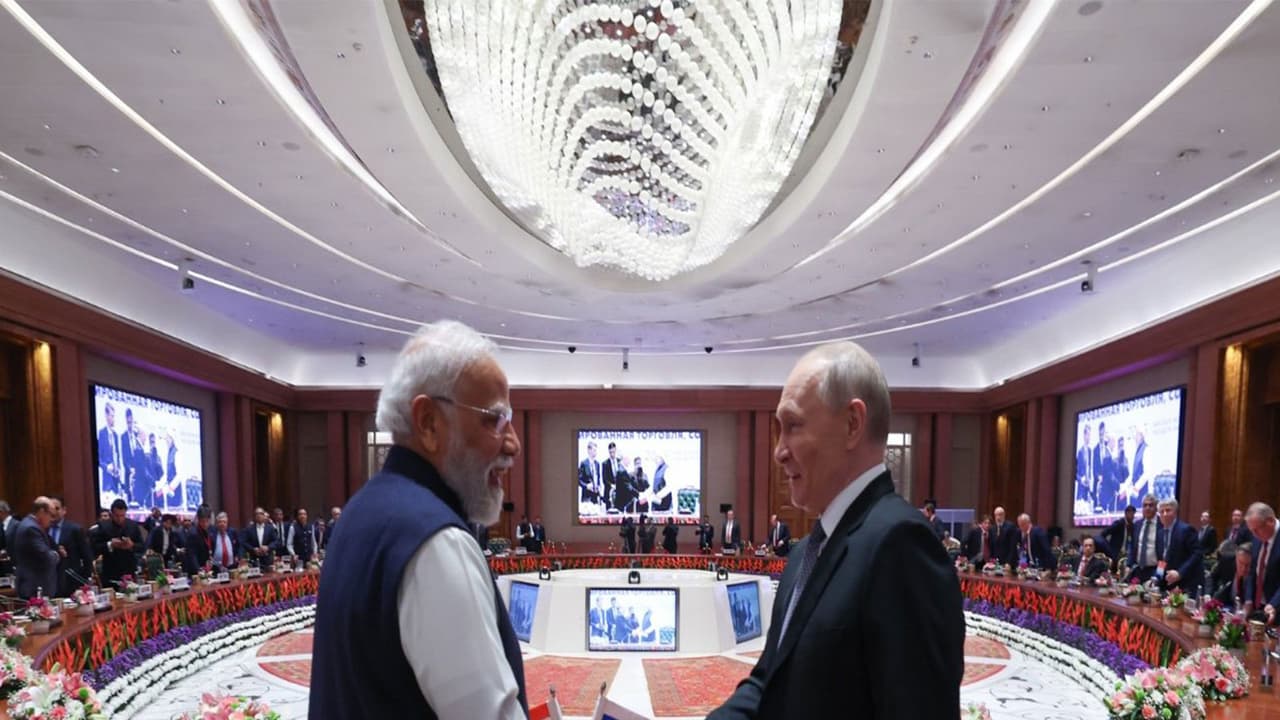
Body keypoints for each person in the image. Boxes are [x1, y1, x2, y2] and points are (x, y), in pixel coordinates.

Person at [708, 342, 962, 720]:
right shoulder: (803, 554)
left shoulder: (900, 545)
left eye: (793, 426)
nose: (779, 451)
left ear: (852, 424)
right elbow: (768, 683)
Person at [310, 320, 527, 718]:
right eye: (494, 420)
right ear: (428, 422)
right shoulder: (437, 542)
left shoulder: (360, 511)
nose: (512, 443)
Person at [1151, 498, 1202, 592]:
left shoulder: (1186, 530)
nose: (1164, 514)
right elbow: (1162, 560)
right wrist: (1156, 578)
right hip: (1168, 584)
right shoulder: (1160, 533)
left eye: (1168, 510)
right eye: (1161, 512)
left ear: (1175, 512)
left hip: (1186, 583)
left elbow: (1197, 554)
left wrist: (1180, 573)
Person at [12, 497, 59, 599]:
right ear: (42, 511)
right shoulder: (31, 528)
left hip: (34, 585)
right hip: (34, 587)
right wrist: (55, 555)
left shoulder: (29, 524)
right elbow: (46, 556)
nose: (52, 519)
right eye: (51, 515)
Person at [95, 499, 145, 589]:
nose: (119, 519)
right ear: (111, 514)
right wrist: (110, 544)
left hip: (129, 570)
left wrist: (132, 545)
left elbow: (142, 547)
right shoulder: (103, 526)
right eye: (117, 516)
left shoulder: (133, 525)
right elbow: (95, 547)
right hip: (110, 571)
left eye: (122, 515)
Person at [50, 496, 93, 597]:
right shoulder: (44, 529)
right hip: (50, 582)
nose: (53, 512)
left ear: (64, 510)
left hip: (71, 581)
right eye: (51, 509)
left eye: (57, 508)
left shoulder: (75, 529)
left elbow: (87, 557)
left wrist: (83, 581)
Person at [1245, 502, 1280, 624]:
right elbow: (1252, 572)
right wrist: (1249, 599)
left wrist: (1274, 605)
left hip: (1276, 608)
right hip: (1259, 607)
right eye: (1251, 531)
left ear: (1270, 521)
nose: (1254, 535)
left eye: (1257, 530)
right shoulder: (1258, 537)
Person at [1127, 495, 1161, 583]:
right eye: (1145, 505)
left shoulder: (1162, 525)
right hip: (1138, 570)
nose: (1147, 508)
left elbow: (1165, 554)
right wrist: (1128, 565)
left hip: (1154, 570)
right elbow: (1132, 546)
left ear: (1156, 508)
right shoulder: (1137, 525)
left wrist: (1159, 575)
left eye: (1151, 505)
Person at [97, 402, 124, 498]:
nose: (114, 419)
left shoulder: (116, 435)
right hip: (107, 479)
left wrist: (119, 469)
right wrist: (107, 467)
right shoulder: (101, 433)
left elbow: (117, 454)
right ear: (106, 416)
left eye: (114, 416)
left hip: (116, 478)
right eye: (112, 416)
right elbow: (98, 458)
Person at [1212, 542, 1250, 609]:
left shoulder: (1257, 573)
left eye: (1248, 565)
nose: (1244, 569)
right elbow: (1211, 577)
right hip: (1225, 604)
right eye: (1241, 563)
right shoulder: (1227, 561)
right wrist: (1208, 594)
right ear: (1236, 558)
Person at [1101, 505, 1137, 573]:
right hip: (1116, 553)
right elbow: (1104, 533)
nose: (1133, 516)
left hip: (1127, 554)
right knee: (1113, 572)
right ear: (1126, 513)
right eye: (1131, 514)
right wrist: (1107, 547)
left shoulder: (1132, 526)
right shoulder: (1119, 523)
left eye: (1133, 514)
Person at [181, 508, 213, 576]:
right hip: (195, 571)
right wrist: (199, 570)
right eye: (202, 521)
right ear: (198, 520)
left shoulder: (208, 531)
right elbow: (192, 555)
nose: (205, 524)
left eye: (207, 521)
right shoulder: (193, 533)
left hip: (205, 567)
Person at [577, 441, 602, 506]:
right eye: (594, 450)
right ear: (589, 450)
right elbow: (579, 480)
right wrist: (586, 486)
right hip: (587, 497)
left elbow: (598, 478)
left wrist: (599, 486)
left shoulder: (597, 464)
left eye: (596, 450)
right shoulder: (584, 463)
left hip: (595, 496)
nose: (595, 452)